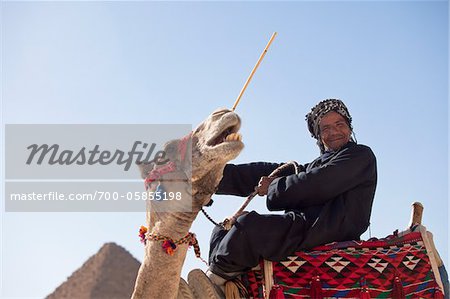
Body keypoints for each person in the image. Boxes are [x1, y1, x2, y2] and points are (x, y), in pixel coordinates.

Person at [207, 99, 378, 289]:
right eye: (326, 128)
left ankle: (216, 282)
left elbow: (319, 183)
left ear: (349, 127)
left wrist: (273, 186)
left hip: (326, 230)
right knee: (222, 230)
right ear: (319, 136)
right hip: (305, 227)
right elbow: (264, 173)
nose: (334, 132)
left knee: (248, 227)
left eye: (340, 124)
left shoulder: (360, 155)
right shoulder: (314, 166)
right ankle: (219, 277)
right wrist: (211, 177)